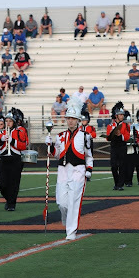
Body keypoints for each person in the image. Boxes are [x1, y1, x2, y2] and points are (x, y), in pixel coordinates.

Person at [45, 98, 93, 240]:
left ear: (78, 120)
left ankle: (71, 232)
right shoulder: (60, 136)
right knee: (61, 203)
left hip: (78, 171)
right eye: (68, 118)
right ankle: (67, 222)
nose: (70, 121)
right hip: (63, 171)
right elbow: (57, 155)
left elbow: (89, 156)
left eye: (73, 118)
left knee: (73, 202)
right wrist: (51, 146)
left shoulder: (85, 136)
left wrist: (89, 169)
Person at [0, 108, 28, 211]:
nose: (8, 123)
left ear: (13, 122)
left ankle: (11, 204)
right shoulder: (1, 132)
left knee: (14, 183)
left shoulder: (19, 131)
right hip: (4, 159)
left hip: (15, 159)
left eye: (10, 121)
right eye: (6, 121)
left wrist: (12, 141)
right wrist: (1, 140)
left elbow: (23, 145)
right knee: (2, 183)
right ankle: (8, 199)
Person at [106, 102, 130, 190]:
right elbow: (107, 137)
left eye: (123, 115)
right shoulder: (110, 125)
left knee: (122, 165)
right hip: (114, 146)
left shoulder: (126, 125)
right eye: (120, 115)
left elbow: (127, 137)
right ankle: (116, 183)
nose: (122, 116)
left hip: (122, 146)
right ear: (116, 116)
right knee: (113, 166)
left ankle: (120, 184)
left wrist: (121, 135)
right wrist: (112, 134)